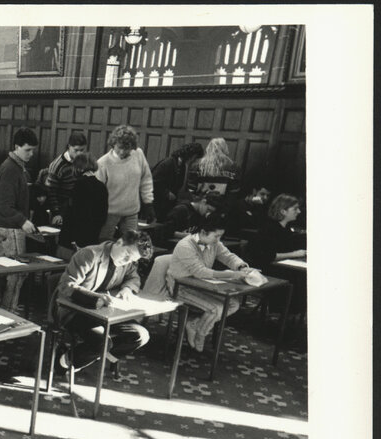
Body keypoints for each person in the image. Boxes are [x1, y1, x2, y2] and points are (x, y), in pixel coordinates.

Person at [54, 230, 152, 370]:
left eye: (132, 260)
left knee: (140, 335)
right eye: (127, 256)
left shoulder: (128, 261)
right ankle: (62, 363)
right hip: (75, 310)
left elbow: (133, 277)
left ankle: (91, 356)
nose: (127, 262)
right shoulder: (89, 254)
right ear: (119, 242)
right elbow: (66, 286)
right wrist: (95, 297)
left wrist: (127, 289)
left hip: (106, 313)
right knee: (102, 342)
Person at [166, 214, 255, 352]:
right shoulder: (185, 245)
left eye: (220, 236)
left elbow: (227, 256)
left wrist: (241, 266)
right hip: (181, 287)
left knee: (233, 304)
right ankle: (201, 333)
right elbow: (200, 272)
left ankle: (194, 325)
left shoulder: (214, 243)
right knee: (217, 309)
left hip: (202, 285)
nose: (218, 240)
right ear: (202, 232)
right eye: (216, 236)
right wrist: (231, 274)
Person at [0, 126, 39, 312]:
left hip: (10, 226)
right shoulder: (11, 169)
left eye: (33, 150)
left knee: (10, 273)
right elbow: (3, 205)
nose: (31, 154)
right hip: (11, 227)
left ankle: (5, 309)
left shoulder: (15, 167)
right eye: (27, 150)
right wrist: (23, 221)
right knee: (15, 273)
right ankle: (8, 312)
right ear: (16, 147)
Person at [95, 124, 154, 241]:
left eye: (127, 148)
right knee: (104, 244)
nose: (122, 152)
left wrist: (148, 203)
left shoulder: (138, 154)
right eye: (119, 147)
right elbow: (97, 192)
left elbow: (146, 179)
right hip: (109, 213)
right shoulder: (103, 162)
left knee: (131, 245)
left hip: (131, 211)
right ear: (113, 144)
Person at [58, 152, 109, 254]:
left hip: (74, 238)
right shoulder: (102, 187)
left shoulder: (78, 185)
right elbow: (103, 216)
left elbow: (73, 214)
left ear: (78, 168)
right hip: (92, 237)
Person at [244, 194, 307, 270]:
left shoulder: (286, 227)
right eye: (295, 209)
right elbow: (268, 256)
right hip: (268, 269)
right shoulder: (268, 229)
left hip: (281, 266)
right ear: (283, 211)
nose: (299, 211)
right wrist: (294, 254)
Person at [38, 131, 88, 226]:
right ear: (69, 146)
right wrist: (56, 213)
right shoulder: (57, 165)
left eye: (82, 150)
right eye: (76, 150)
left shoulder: (82, 161)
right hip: (60, 207)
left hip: (75, 205)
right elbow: (51, 191)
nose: (79, 153)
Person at [151, 142, 205, 222]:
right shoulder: (168, 163)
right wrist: (166, 193)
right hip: (157, 205)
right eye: (195, 159)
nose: (194, 162)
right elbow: (153, 181)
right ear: (193, 156)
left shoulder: (182, 166)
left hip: (166, 206)